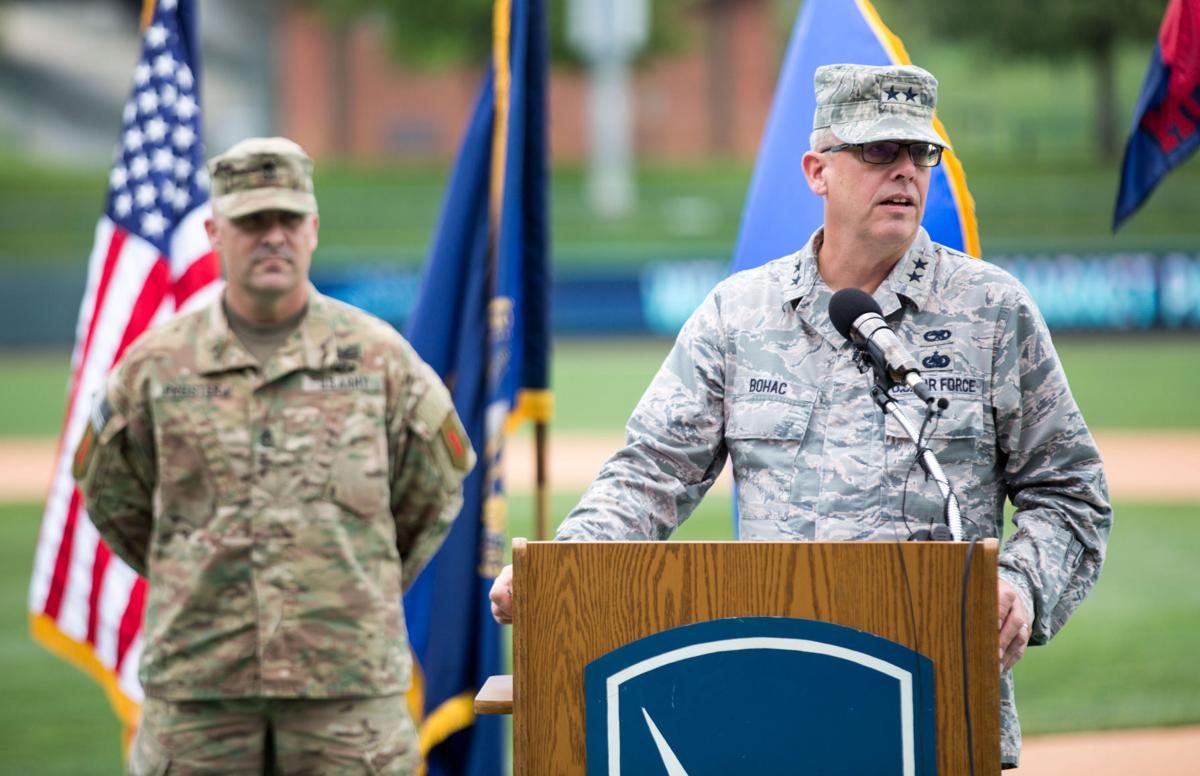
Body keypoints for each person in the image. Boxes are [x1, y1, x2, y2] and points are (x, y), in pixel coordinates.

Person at [489, 64, 1111, 769]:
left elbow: (1070, 493)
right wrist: (561, 571)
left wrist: (1021, 586)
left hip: (938, 703)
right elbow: (650, 474)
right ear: (818, 171)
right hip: (774, 704)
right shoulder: (738, 315)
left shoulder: (993, 312)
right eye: (880, 152)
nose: (905, 171)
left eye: (920, 153)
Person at [73, 136, 475, 775]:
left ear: (313, 228)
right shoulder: (154, 368)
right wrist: (199, 574)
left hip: (348, 698)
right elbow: (113, 497)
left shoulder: (380, 360)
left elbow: (432, 492)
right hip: (201, 700)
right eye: (251, 221)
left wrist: (351, 581)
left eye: (288, 219)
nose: (273, 237)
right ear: (214, 231)